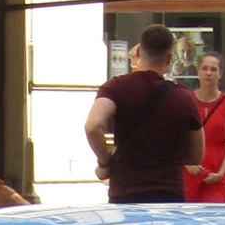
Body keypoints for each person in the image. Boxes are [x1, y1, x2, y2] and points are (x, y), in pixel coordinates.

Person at [85, 24, 204, 204]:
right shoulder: (183, 97)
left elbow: (93, 126)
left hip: (126, 192)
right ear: (170, 58)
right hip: (168, 194)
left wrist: (104, 161)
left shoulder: (115, 87)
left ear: (139, 51)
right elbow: (196, 154)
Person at [186, 51, 225, 204]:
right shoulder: (187, 100)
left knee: (217, 214)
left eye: (213, 69)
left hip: (218, 168)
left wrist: (222, 172)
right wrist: (186, 163)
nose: (208, 73)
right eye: (204, 68)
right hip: (192, 168)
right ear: (198, 71)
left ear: (220, 73)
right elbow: (177, 138)